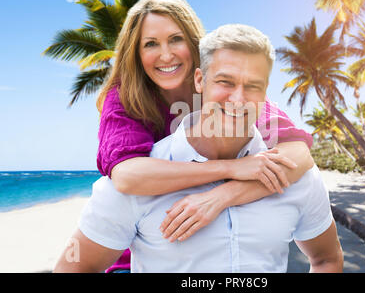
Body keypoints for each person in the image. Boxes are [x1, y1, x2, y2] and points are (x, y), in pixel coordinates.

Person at [54, 24, 343, 273]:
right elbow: (76, 265)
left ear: (266, 92)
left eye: (252, 86)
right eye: (225, 82)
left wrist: (221, 196)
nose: (239, 99)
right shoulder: (137, 182)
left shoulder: (297, 174)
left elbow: (327, 258)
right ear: (199, 81)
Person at [93, 0, 315, 272]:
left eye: (176, 39)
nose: (165, 55)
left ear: (194, 43)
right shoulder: (126, 98)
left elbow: (298, 152)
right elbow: (127, 176)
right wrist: (233, 168)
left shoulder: (227, 88)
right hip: (141, 257)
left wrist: (222, 196)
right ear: (136, 54)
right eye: (150, 44)